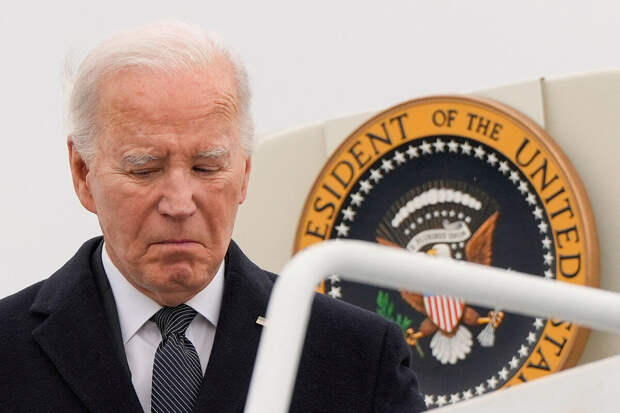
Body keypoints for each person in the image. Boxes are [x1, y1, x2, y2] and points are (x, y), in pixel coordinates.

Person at [0, 21, 426, 412]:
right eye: (144, 169)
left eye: (206, 167)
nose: (179, 203)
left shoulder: (359, 356)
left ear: (244, 172)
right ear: (82, 172)